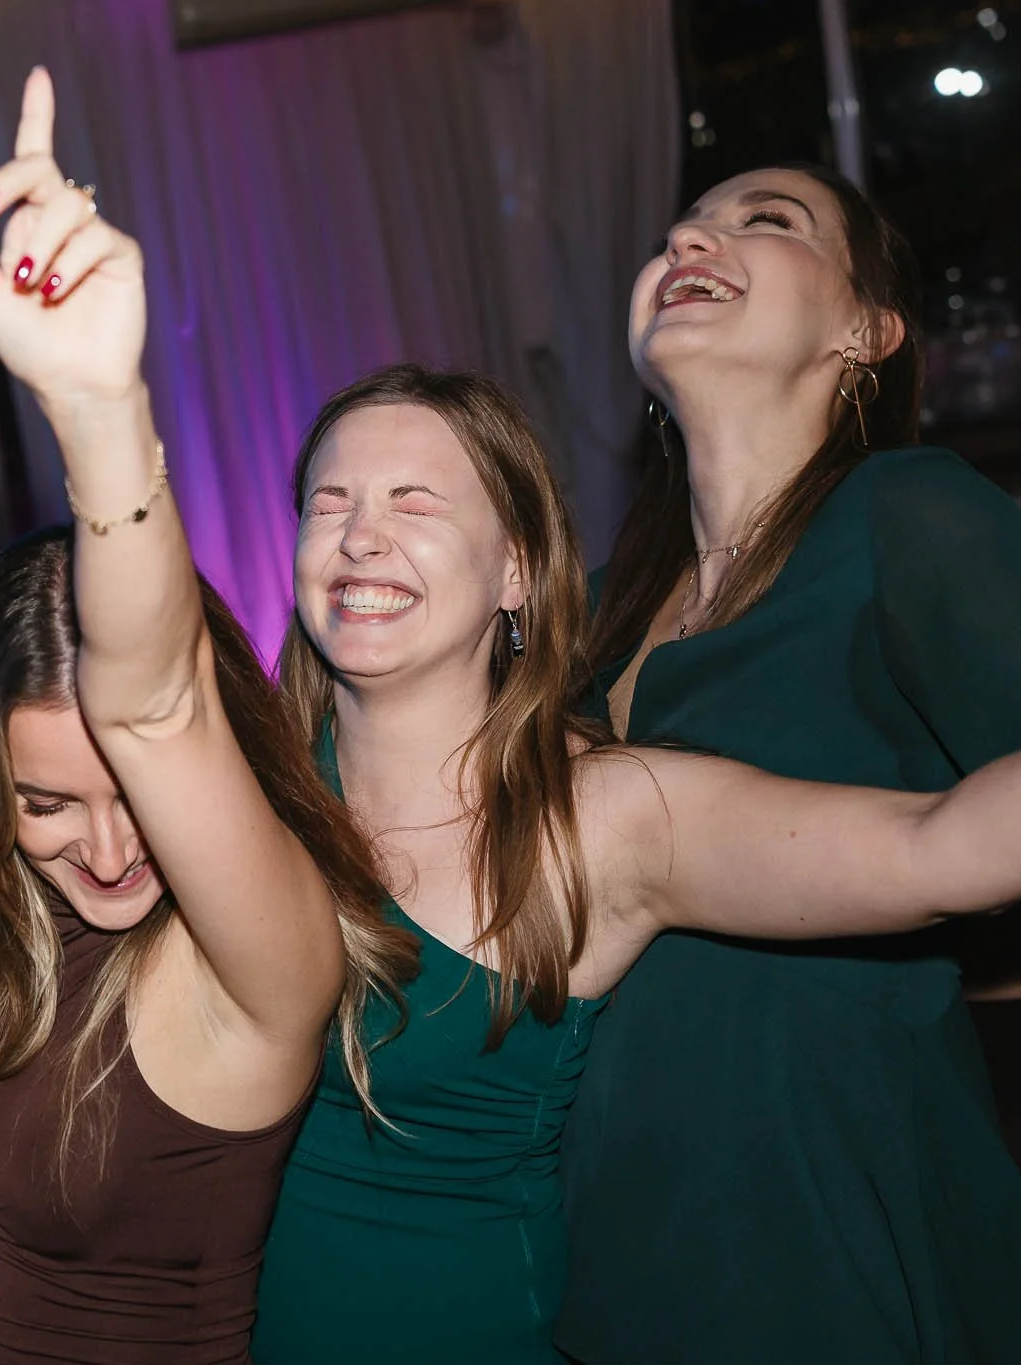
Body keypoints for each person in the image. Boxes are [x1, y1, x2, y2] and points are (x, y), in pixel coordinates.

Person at [242, 361, 1021, 1365]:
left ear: (514, 570)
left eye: (413, 501)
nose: (358, 535)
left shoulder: (602, 819)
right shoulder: (246, 787)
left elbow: (941, 850)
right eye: (327, 503)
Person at [0, 70, 417, 1364]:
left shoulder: (259, 954)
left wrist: (101, 410)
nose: (103, 852)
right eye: (44, 803)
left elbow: (149, 698)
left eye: (134, 798)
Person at [560, 162, 1021, 1363]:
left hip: (828, 1237)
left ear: (863, 332)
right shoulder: (587, 616)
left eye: (763, 221)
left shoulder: (902, 517)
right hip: (599, 1245)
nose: (687, 237)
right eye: (680, 227)